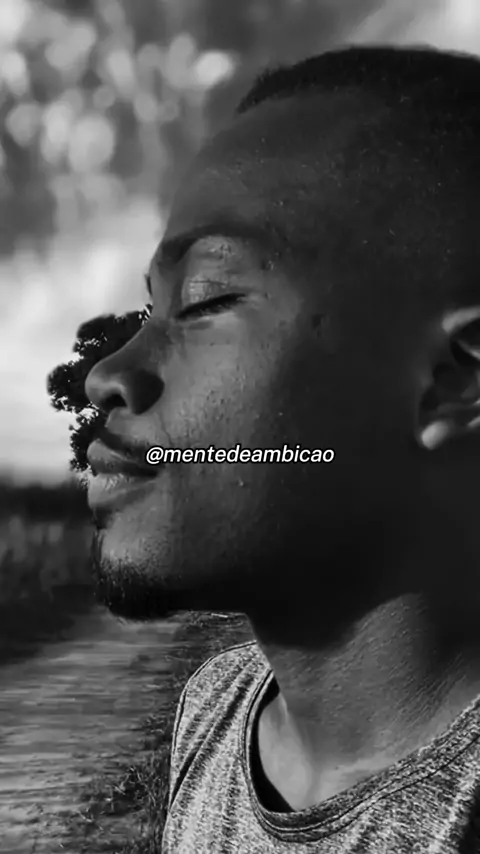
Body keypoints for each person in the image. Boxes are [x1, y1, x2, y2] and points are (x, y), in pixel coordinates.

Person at [84, 44, 480, 853]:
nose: (108, 376)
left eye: (207, 298)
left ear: (452, 382)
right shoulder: (217, 706)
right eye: (151, 308)